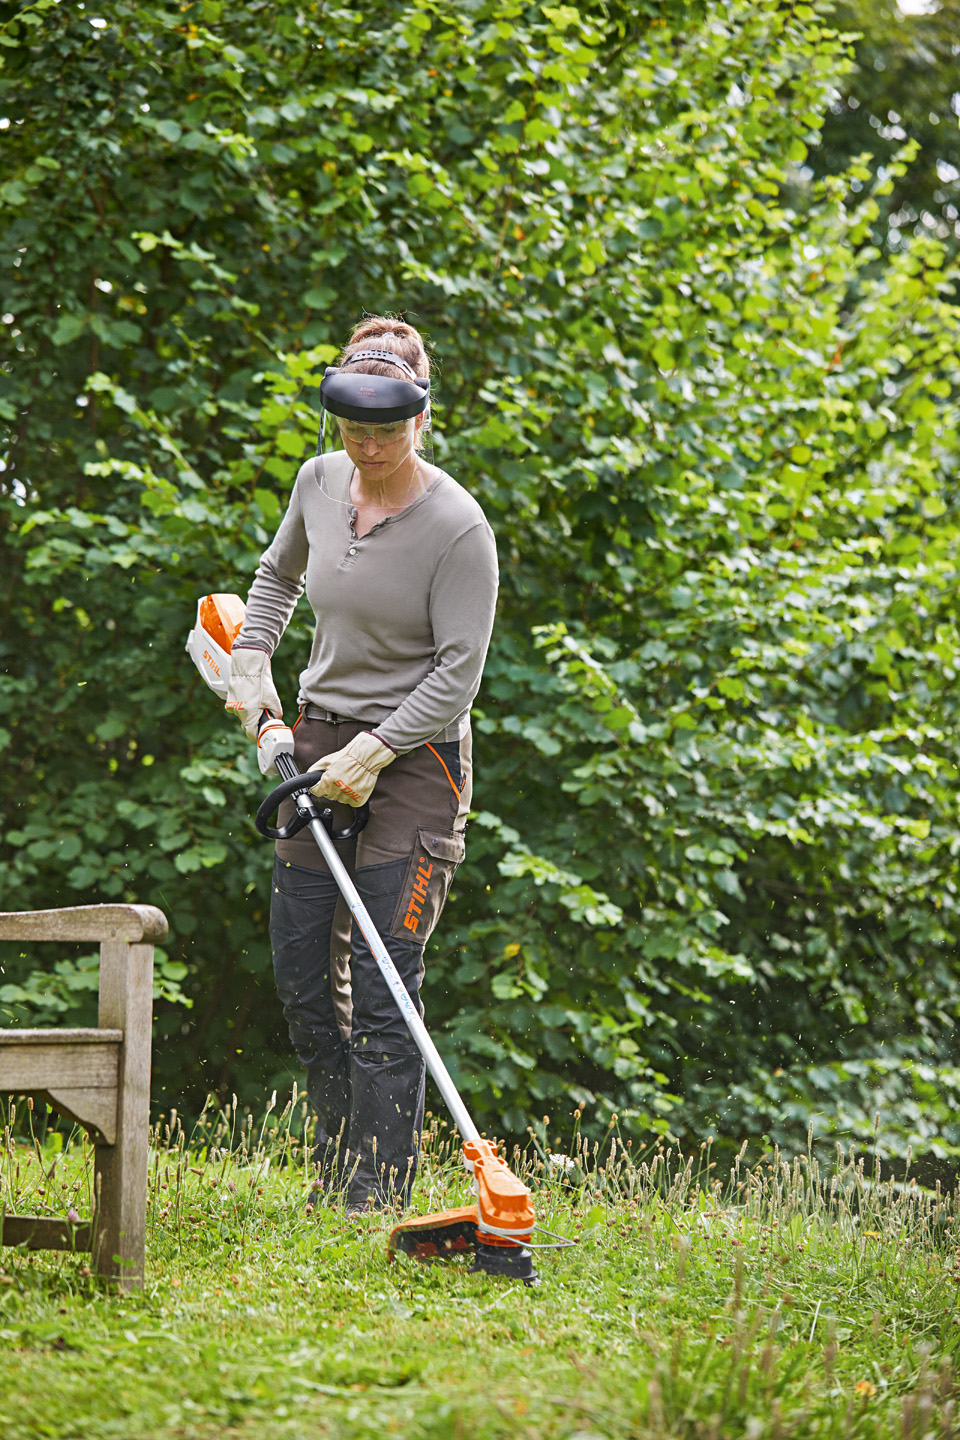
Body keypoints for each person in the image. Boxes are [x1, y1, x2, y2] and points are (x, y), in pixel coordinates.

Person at [224, 316, 499, 1212]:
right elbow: (274, 581)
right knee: (304, 974)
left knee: (386, 981)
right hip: (317, 737)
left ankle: (373, 1195)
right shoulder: (317, 481)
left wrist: (376, 752)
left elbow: (458, 674)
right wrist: (251, 663)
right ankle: (336, 1168)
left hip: (417, 760)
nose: (371, 447)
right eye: (355, 431)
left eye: (388, 430)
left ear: (422, 417)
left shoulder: (458, 527)